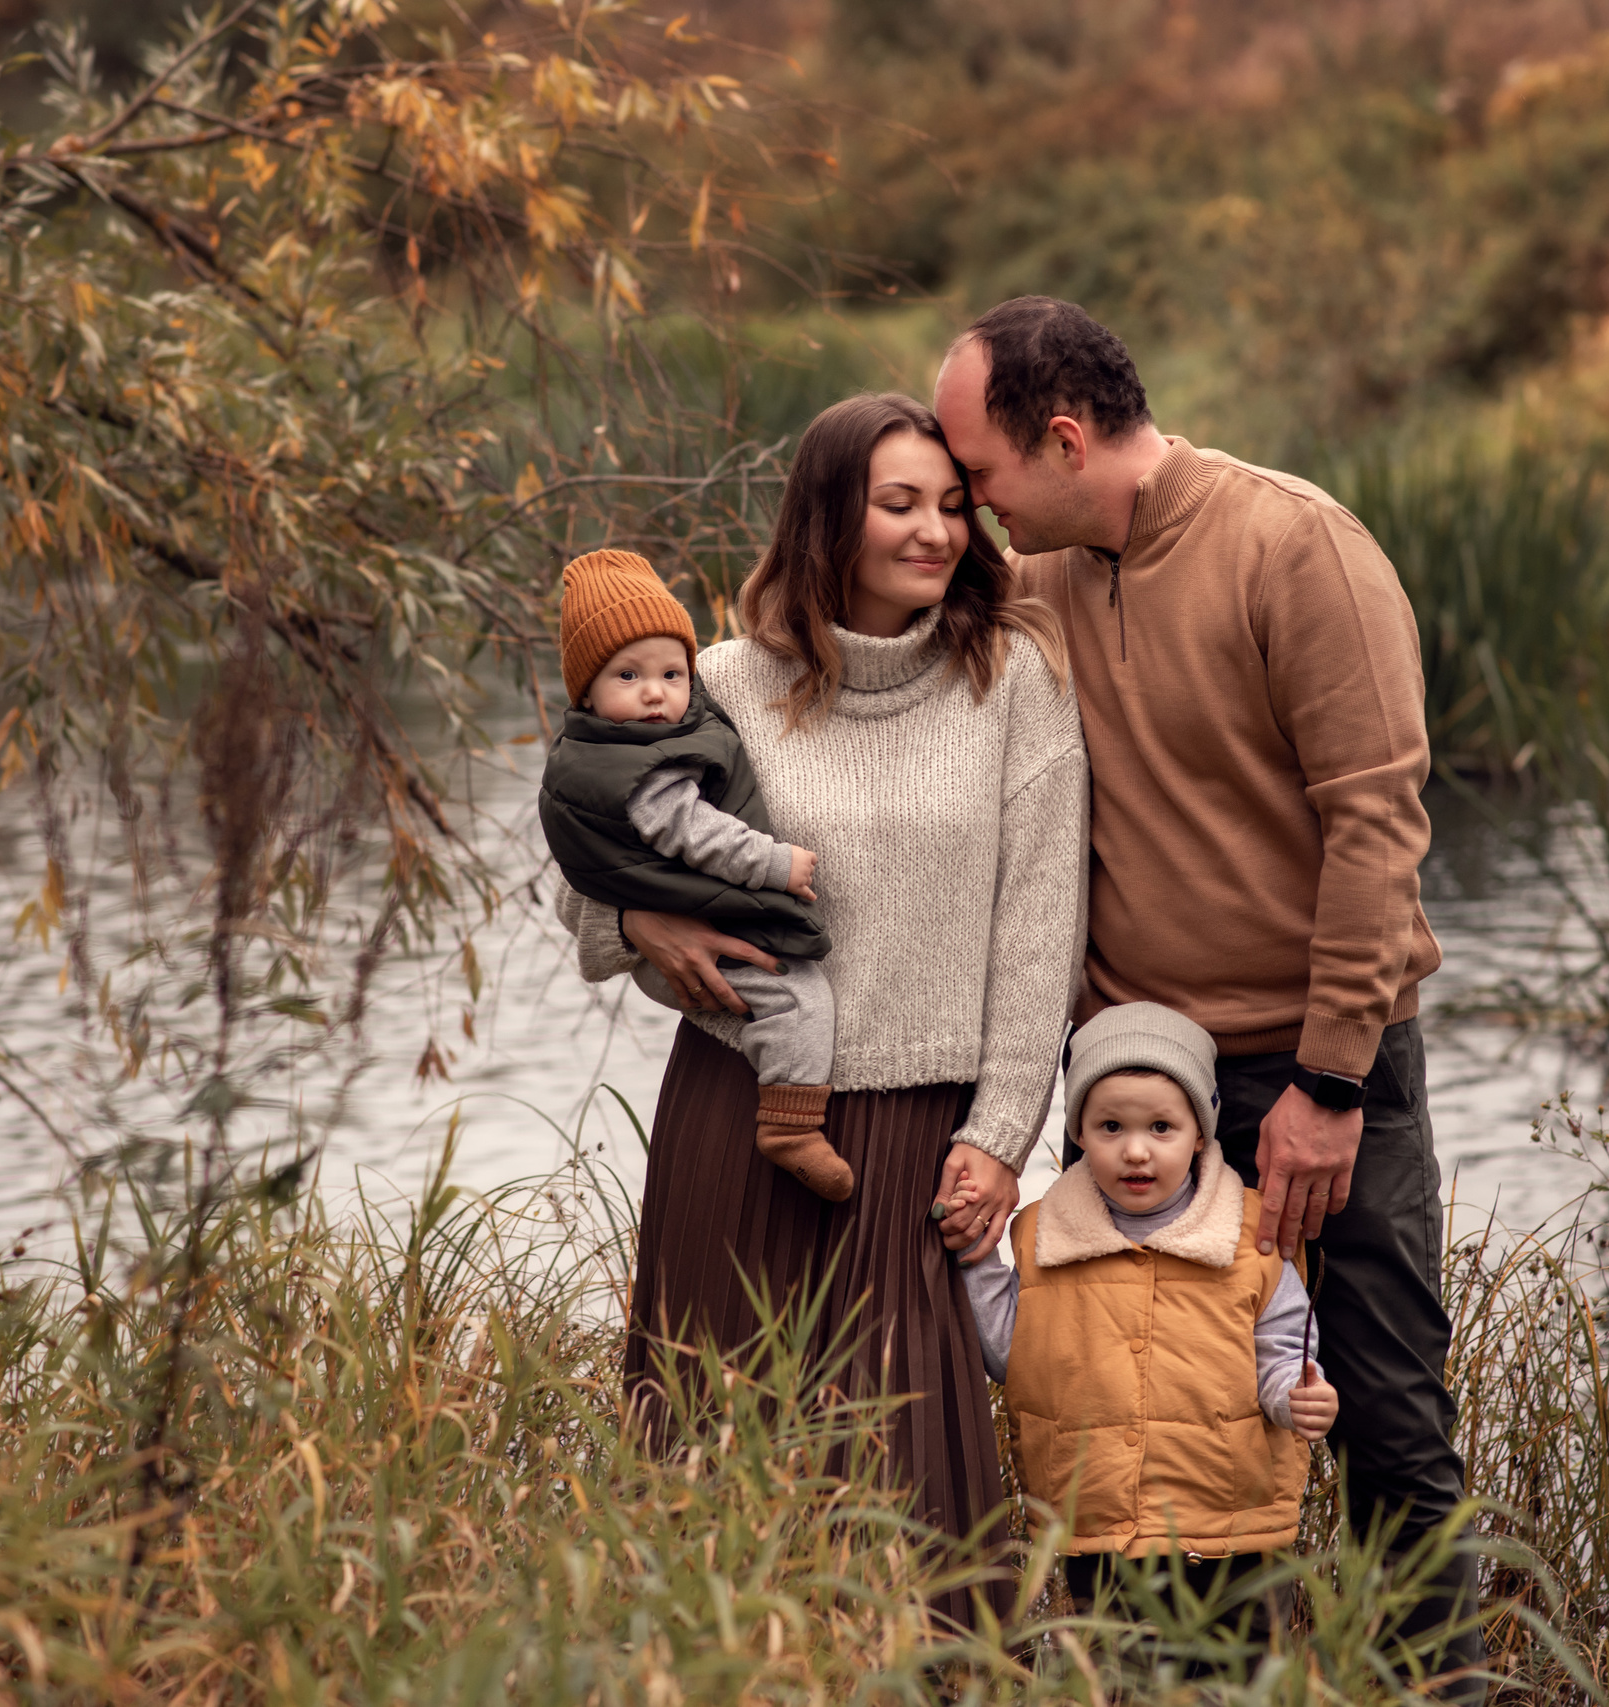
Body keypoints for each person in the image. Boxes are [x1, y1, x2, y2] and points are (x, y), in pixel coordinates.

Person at [932, 295, 1482, 1687]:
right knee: (1154, 1465)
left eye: (981, 475)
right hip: (1135, 1090)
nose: (973, 509)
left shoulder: (1296, 547)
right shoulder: (1042, 580)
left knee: (1387, 1432)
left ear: (1064, 442)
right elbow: (844, 664)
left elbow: (1377, 824)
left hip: (1319, 1076)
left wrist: (1329, 1081)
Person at [553, 393, 1085, 1604]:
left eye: (951, 505)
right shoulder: (717, 685)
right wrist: (639, 923)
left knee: (915, 1477)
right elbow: (586, 874)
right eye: (899, 504)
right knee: (711, 1452)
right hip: (735, 1116)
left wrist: (1004, 1135)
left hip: (919, 1136)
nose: (934, 531)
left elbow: (1040, 928)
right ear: (827, 515)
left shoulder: (1015, 680)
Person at [956, 1003, 1337, 1639]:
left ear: (1200, 1133)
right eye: (1111, 1126)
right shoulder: (1041, 1235)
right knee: (1119, 1673)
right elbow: (1010, 1355)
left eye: (1162, 1127)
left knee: (1239, 1675)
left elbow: (1280, 1344)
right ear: (1079, 1132)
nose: (1136, 1151)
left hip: (1232, 1526)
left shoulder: (1252, 1236)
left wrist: (1295, 1395)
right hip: (1098, 1527)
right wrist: (975, 1257)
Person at [538, 548, 850, 1200]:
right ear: (586, 692)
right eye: (628, 675)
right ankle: (790, 1125)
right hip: (708, 966)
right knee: (796, 997)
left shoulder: (628, 741)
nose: (656, 692)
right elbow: (694, 833)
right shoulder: (647, 766)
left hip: (710, 941)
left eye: (672, 673)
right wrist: (775, 864)